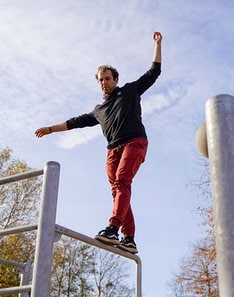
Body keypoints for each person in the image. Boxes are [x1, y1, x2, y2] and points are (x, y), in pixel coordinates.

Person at [34, 32, 162, 254]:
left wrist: (157, 46)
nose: (104, 82)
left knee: (122, 181)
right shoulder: (99, 110)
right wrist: (50, 129)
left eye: (108, 78)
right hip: (113, 150)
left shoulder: (129, 92)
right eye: (101, 79)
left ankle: (113, 227)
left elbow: (154, 73)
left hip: (134, 142)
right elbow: (76, 122)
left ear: (115, 80)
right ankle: (129, 237)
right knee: (117, 191)